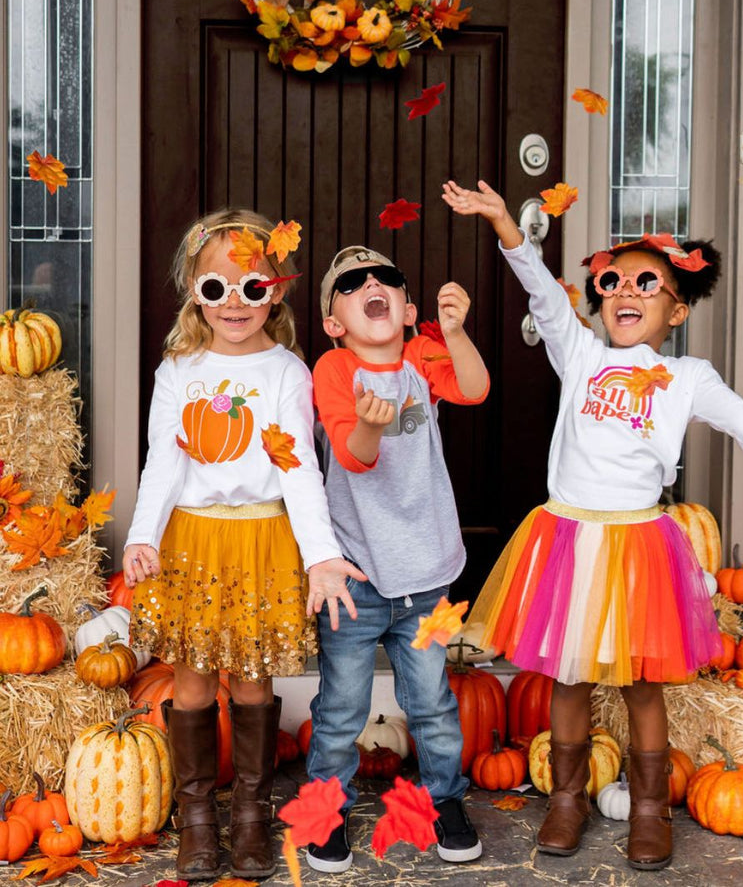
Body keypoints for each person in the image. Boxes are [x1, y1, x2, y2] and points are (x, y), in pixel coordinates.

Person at [441, 180, 743, 870]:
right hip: (569, 538)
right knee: (570, 677)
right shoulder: (579, 354)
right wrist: (504, 225)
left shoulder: (687, 377)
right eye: (612, 281)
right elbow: (542, 293)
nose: (625, 292)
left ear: (677, 308)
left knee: (642, 683)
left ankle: (648, 808)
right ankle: (567, 800)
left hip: (638, 542)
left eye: (647, 283)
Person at [123, 209, 364, 881]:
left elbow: (298, 467)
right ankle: (199, 818)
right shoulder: (179, 369)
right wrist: (142, 535)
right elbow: (163, 462)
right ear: (193, 291)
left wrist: (320, 554)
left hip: (263, 538)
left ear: (276, 292)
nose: (235, 303)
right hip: (194, 539)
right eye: (217, 288)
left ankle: (252, 815)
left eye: (253, 287)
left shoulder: (286, 371)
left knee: (254, 681)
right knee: (194, 680)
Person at [304, 245, 490, 872]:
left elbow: (475, 389)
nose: (371, 285)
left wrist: (456, 333)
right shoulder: (334, 369)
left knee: (432, 703)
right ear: (334, 323)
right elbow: (354, 457)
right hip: (355, 580)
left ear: (408, 310)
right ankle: (326, 810)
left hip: (428, 576)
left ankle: (445, 800)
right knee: (341, 709)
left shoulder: (422, 356)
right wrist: (369, 424)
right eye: (353, 283)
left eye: (385, 279)